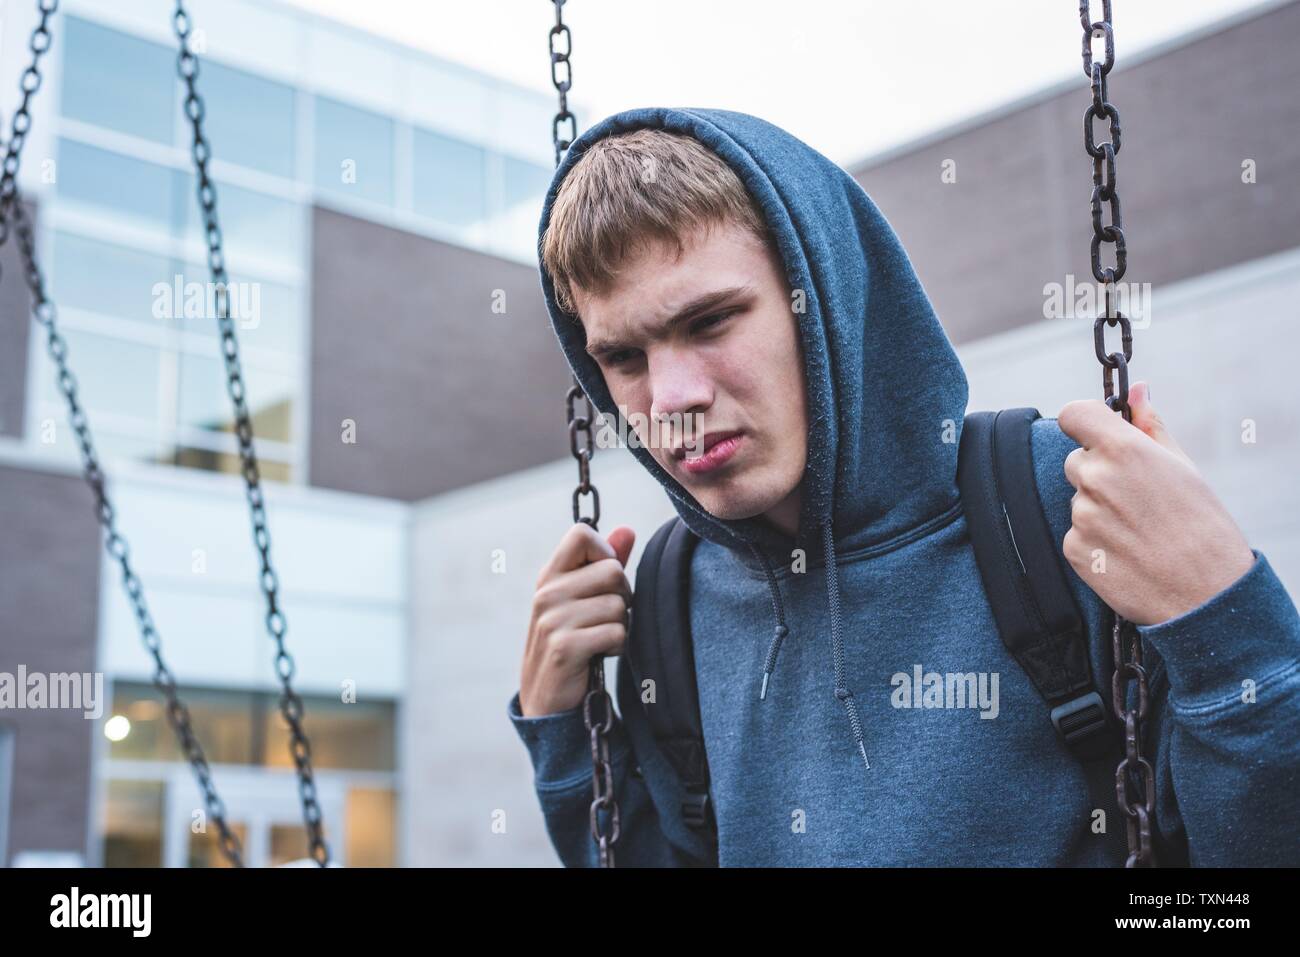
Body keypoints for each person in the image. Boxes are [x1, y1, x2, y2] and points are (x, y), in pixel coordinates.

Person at [507, 107, 1300, 866]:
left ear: (824, 302)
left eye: (711, 321)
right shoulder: (672, 589)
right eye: (625, 359)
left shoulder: (1062, 504)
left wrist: (1230, 627)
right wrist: (565, 737)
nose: (671, 396)